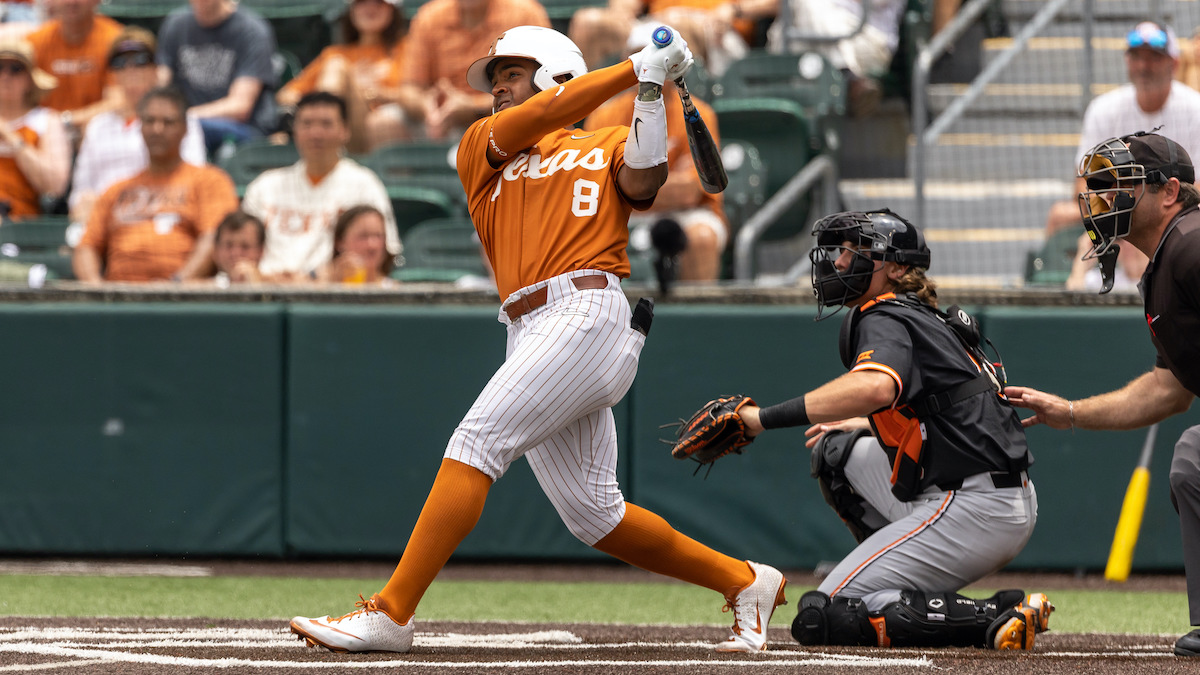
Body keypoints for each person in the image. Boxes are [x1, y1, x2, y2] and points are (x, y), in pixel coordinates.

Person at [289, 25, 788, 655]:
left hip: (585, 311)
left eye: (513, 72)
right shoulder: (481, 146)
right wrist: (637, 65)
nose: (497, 85)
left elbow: (642, 183)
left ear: (553, 72)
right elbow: (554, 110)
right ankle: (745, 582)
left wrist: (651, 87)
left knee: (476, 441)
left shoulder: (607, 140)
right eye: (495, 76)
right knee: (595, 515)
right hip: (530, 329)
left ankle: (391, 612)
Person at [713, 208, 1053, 650]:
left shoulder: (884, 312)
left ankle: (995, 614)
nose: (839, 262)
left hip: (973, 507)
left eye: (856, 252)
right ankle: (902, 580)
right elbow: (935, 402)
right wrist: (865, 422)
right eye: (842, 251)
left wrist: (761, 419)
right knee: (837, 450)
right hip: (990, 495)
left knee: (824, 614)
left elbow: (877, 385)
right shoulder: (919, 313)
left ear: (894, 268)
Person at [1006, 131, 1200, 658]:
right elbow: (1169, 390)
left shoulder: (1191, 241)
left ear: (1169, 192)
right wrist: (1068, 412)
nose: (1105, 200)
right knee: (1194, 459)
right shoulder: (1171, 258)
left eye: (1122, 187)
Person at [583, 28, 726, 284]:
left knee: (702, 238)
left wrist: (626, 185)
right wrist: (655, 187)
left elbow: (689, 192)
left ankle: (698, 322)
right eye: (640, 55)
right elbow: (594, 190)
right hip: (620, 216)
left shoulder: (699, 113)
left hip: (685, 214)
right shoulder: (602, 116)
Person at [1044, 22, 1200, 239]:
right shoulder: (1103, 109)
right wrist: (1118, 214)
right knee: (1059, 216)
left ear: (1173, 63)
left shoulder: (1195, 109)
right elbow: (1083, 183)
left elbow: (1197, 190)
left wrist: (1142, 214)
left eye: (1154, 57)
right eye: (1136, 57)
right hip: (1113, 208)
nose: (1144, 66)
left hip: (1173, 211)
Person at [72, 86, 239, 282]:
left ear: (185, 129)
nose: (157, 129)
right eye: (149, 121)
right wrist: (96, 289)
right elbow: (86, 246)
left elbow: (212, 239)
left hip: (183, 298)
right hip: (118, 298)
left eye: (168, 122)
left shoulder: (210, 181)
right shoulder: (117, 189)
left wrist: (177, 284)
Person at [241, 91, 399, 281]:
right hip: (265, 294)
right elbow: (240, 251)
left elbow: (384, 253)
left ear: (345, 131)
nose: (316, 133)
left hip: (334, 297)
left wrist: (316, 278)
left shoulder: (364, 185)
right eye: (307, 124)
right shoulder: (264, 186)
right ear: (295, 130)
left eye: (326, 124)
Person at [68, 26, 206, 228]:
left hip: (159, 216)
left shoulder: (180, 119)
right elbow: (80, 194)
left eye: (140, 61)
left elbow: (194, 180)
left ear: (156, 69)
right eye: (120, 63)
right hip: (102, 221)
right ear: (113, 74)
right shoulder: (98, 126)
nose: (130, 70)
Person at [394, 0, 550, 140]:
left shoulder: (525, 13)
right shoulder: (429, 16)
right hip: (440, 121)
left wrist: (474, 106)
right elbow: (409, 88)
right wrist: (428, 107)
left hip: (505, 116)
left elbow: (542, 86)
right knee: (386, 121)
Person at [276, 0, 408, 154]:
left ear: (393, 10)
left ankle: (318, 130)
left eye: (379, 2)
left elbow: (420, 98)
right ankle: (320, 127)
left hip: (386, 133)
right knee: (336, 65)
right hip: (343, 131)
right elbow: (286, 95)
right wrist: (345, 85)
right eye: (362, 2)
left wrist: (372, 92)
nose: (370, 7)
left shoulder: (408, 49)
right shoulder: (334, 54)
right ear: (351, 10)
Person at [156, 0, 279, 155]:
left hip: (244, 130)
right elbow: (159, 83)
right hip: (187, 122)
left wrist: (181, 117)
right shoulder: (175, 24)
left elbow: (239, 108)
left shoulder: (252, 30)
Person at [568, 0, 774, 78]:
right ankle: (587, 119)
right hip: (658, 23)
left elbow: (780, 3)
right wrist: (622, 13)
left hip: (720, 31)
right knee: (588, 23)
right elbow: (624, 5)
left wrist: (735, 8)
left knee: (677, 28)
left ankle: (679, 116)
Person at [24, 0, 122, 138]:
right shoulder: (35, 42)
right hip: (43, 134)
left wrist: (66, 120)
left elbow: (120, 101)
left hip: (97, 133)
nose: (71, 2)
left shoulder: (114, 40)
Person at [0, 37, 69, 219]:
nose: (5, 76)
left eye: (16, 69)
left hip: (21, 225)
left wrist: (11, 137)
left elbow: (55, 186)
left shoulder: (46, 120)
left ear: (30, 79)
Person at [318, 204, 399, 285]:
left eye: (378, 235)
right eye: (363, 236)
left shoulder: (394, 290)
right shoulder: (316, 281)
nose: (372, 245)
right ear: (340, 242)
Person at [206, 209, 265, 286]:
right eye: (228, 245)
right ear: (216, 249)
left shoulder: (278, 286)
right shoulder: (200, 289)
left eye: (245, 246)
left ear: (261, 251)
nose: (235, 253)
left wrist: (257, 286)